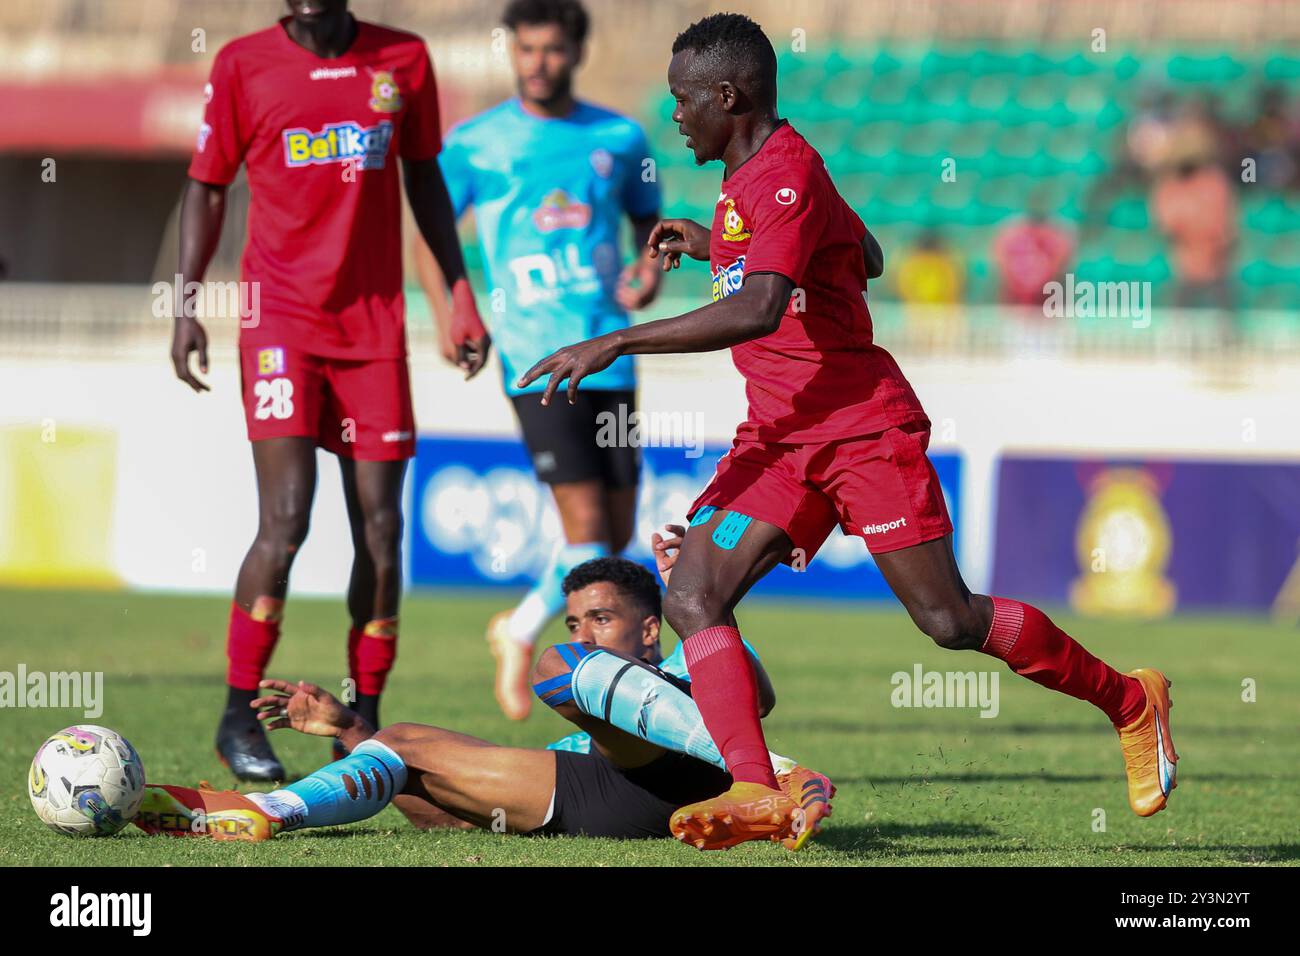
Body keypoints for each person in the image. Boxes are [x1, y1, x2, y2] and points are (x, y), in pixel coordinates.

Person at [517, 13, 1178, 850]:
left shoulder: (783, 175)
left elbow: (760, 307)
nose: (675, 115)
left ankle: (1130, 699)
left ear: (730, 95)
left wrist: (616, 336)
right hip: (783, 436)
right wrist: (715, 240)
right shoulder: (751, 180)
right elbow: (861, 253)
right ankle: (757, 790)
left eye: (686, 100)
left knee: (948, 621)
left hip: (860, 429)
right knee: (691, 591)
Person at [172, 0, 488, 780]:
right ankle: (238, 712)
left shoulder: (404, 60)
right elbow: (207, 185)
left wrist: (459, 292)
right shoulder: (244, 64)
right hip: (279, 322)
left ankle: (364, 717)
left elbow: (426, 181)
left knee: (381, 533)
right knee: (285, 520)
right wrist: (185, 305)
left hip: (373, 332)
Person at [133, 544, 832, 847]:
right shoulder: (592, 717)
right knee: (406, 745)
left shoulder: (692, 653)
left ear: (652, 629)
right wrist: (351, 731)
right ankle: (269, 813)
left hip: (685, 776)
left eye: (603, 619)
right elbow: (453, 816)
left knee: (555, 667)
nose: (587, 631)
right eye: (578, 621)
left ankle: (770, 775)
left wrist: (700, 601)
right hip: (626, 794)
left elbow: (757, 695)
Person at [412, 0, 665, 723]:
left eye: (553, 49)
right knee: (587, 532)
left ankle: (520, 630)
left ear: (577, 49)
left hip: (613, 352)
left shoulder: (619, 137)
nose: (538, 63)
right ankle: (559, 661)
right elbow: (431, 236)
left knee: (613, 536)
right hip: (536, 359)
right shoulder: (475, 143)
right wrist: (454, 310)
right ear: (511, 50)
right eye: (526, 49)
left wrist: (649, 271)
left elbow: (651, 222)